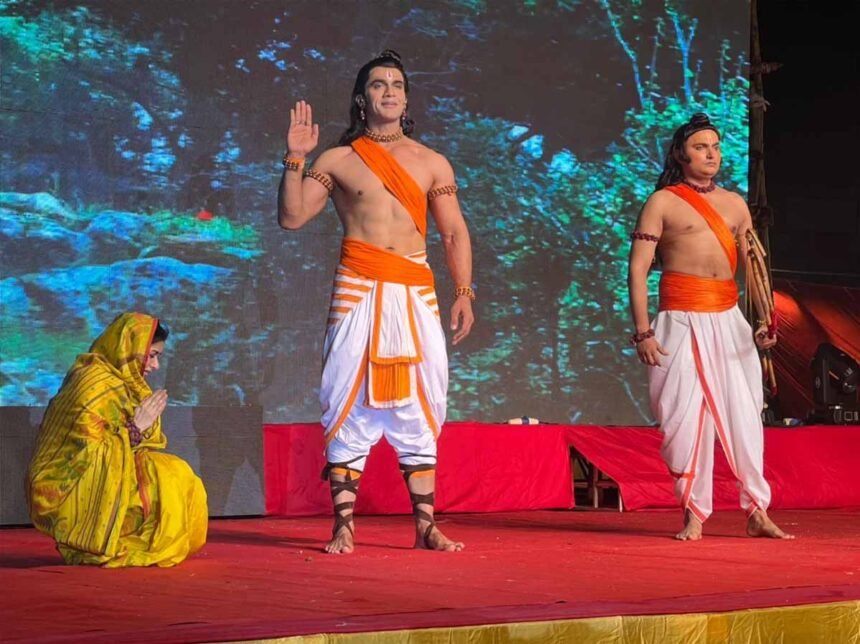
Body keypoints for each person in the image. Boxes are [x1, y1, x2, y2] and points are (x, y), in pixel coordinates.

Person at [278, 50, 474, 554]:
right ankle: (343, 525)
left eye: (397, 84)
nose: (389, 91)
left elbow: (453, 233)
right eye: (379, 84)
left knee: (422, 398)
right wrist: (295, 158)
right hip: (358, 289)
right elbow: (293, 218)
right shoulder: (337, 160)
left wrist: (464, 292)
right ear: (361, 99)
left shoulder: (432, 162)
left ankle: (426, 525)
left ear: (406, 99)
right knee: (345, 393)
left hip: (415, 290)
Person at [627, 113, 793, 541]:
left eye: (715, 147)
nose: (711, 155)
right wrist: (643, 331)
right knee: (681, 420)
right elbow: (638, 269)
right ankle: (694, 514)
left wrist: (762, 320)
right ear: (680, 154)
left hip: (729, 318)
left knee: (744, 414)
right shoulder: (662, 202)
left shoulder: (736, 204)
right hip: (678, 318)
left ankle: (757, 510)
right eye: (701, 147)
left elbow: (754, 270)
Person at [27, 312, 208, 566]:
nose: (155, 366)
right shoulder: (91, 383)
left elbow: (142, 442)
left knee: (174, 473)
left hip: (115, 472)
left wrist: (140, 428)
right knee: (168, 478)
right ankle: (98, 542)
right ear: (128, 348)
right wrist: (135, 427)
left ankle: (131, 540)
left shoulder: (126, 383)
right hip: (71, 485)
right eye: (152, 355)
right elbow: (84, 453)